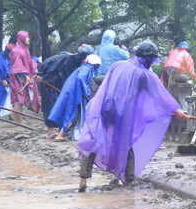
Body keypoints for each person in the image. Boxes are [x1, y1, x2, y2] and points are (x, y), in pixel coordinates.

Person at [76, 42, 188, 192]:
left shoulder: (118, 65)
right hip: (123, 114)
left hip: (104, 108)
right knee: (124, 144)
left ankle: (83, 178)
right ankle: (128, 180)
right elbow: (159, 95)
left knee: (95, 140)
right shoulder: (145, 75)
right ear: (147, 58)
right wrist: (176, 110)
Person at [38, 44, 94, 137]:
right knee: (50, 107)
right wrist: (40, 73)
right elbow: (48, 62)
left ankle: (60, 130)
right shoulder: (67, 58)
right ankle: (50, 130)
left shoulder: (80, 65)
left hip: (61, 86)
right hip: (50, 84)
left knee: (60, 106)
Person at [49, 54, 100, 141]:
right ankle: (61, 134)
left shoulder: (83, 68)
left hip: (71, 92)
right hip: (75, 94)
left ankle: (62, 133)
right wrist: (86, 92)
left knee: (71, 113)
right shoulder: (87, 69)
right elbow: (81, 79)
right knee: (73, 114)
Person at [9, 30, 40, 121]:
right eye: (26, 37)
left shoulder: (25, 50)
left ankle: (16, 117)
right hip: (18, 79)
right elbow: (17, 65)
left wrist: (35, 69)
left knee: (24, 97)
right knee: (18, 98)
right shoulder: (16, 51)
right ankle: (18, 121)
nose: (28, 39)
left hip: (26, 77)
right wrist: (25, 75)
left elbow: (30, 62)